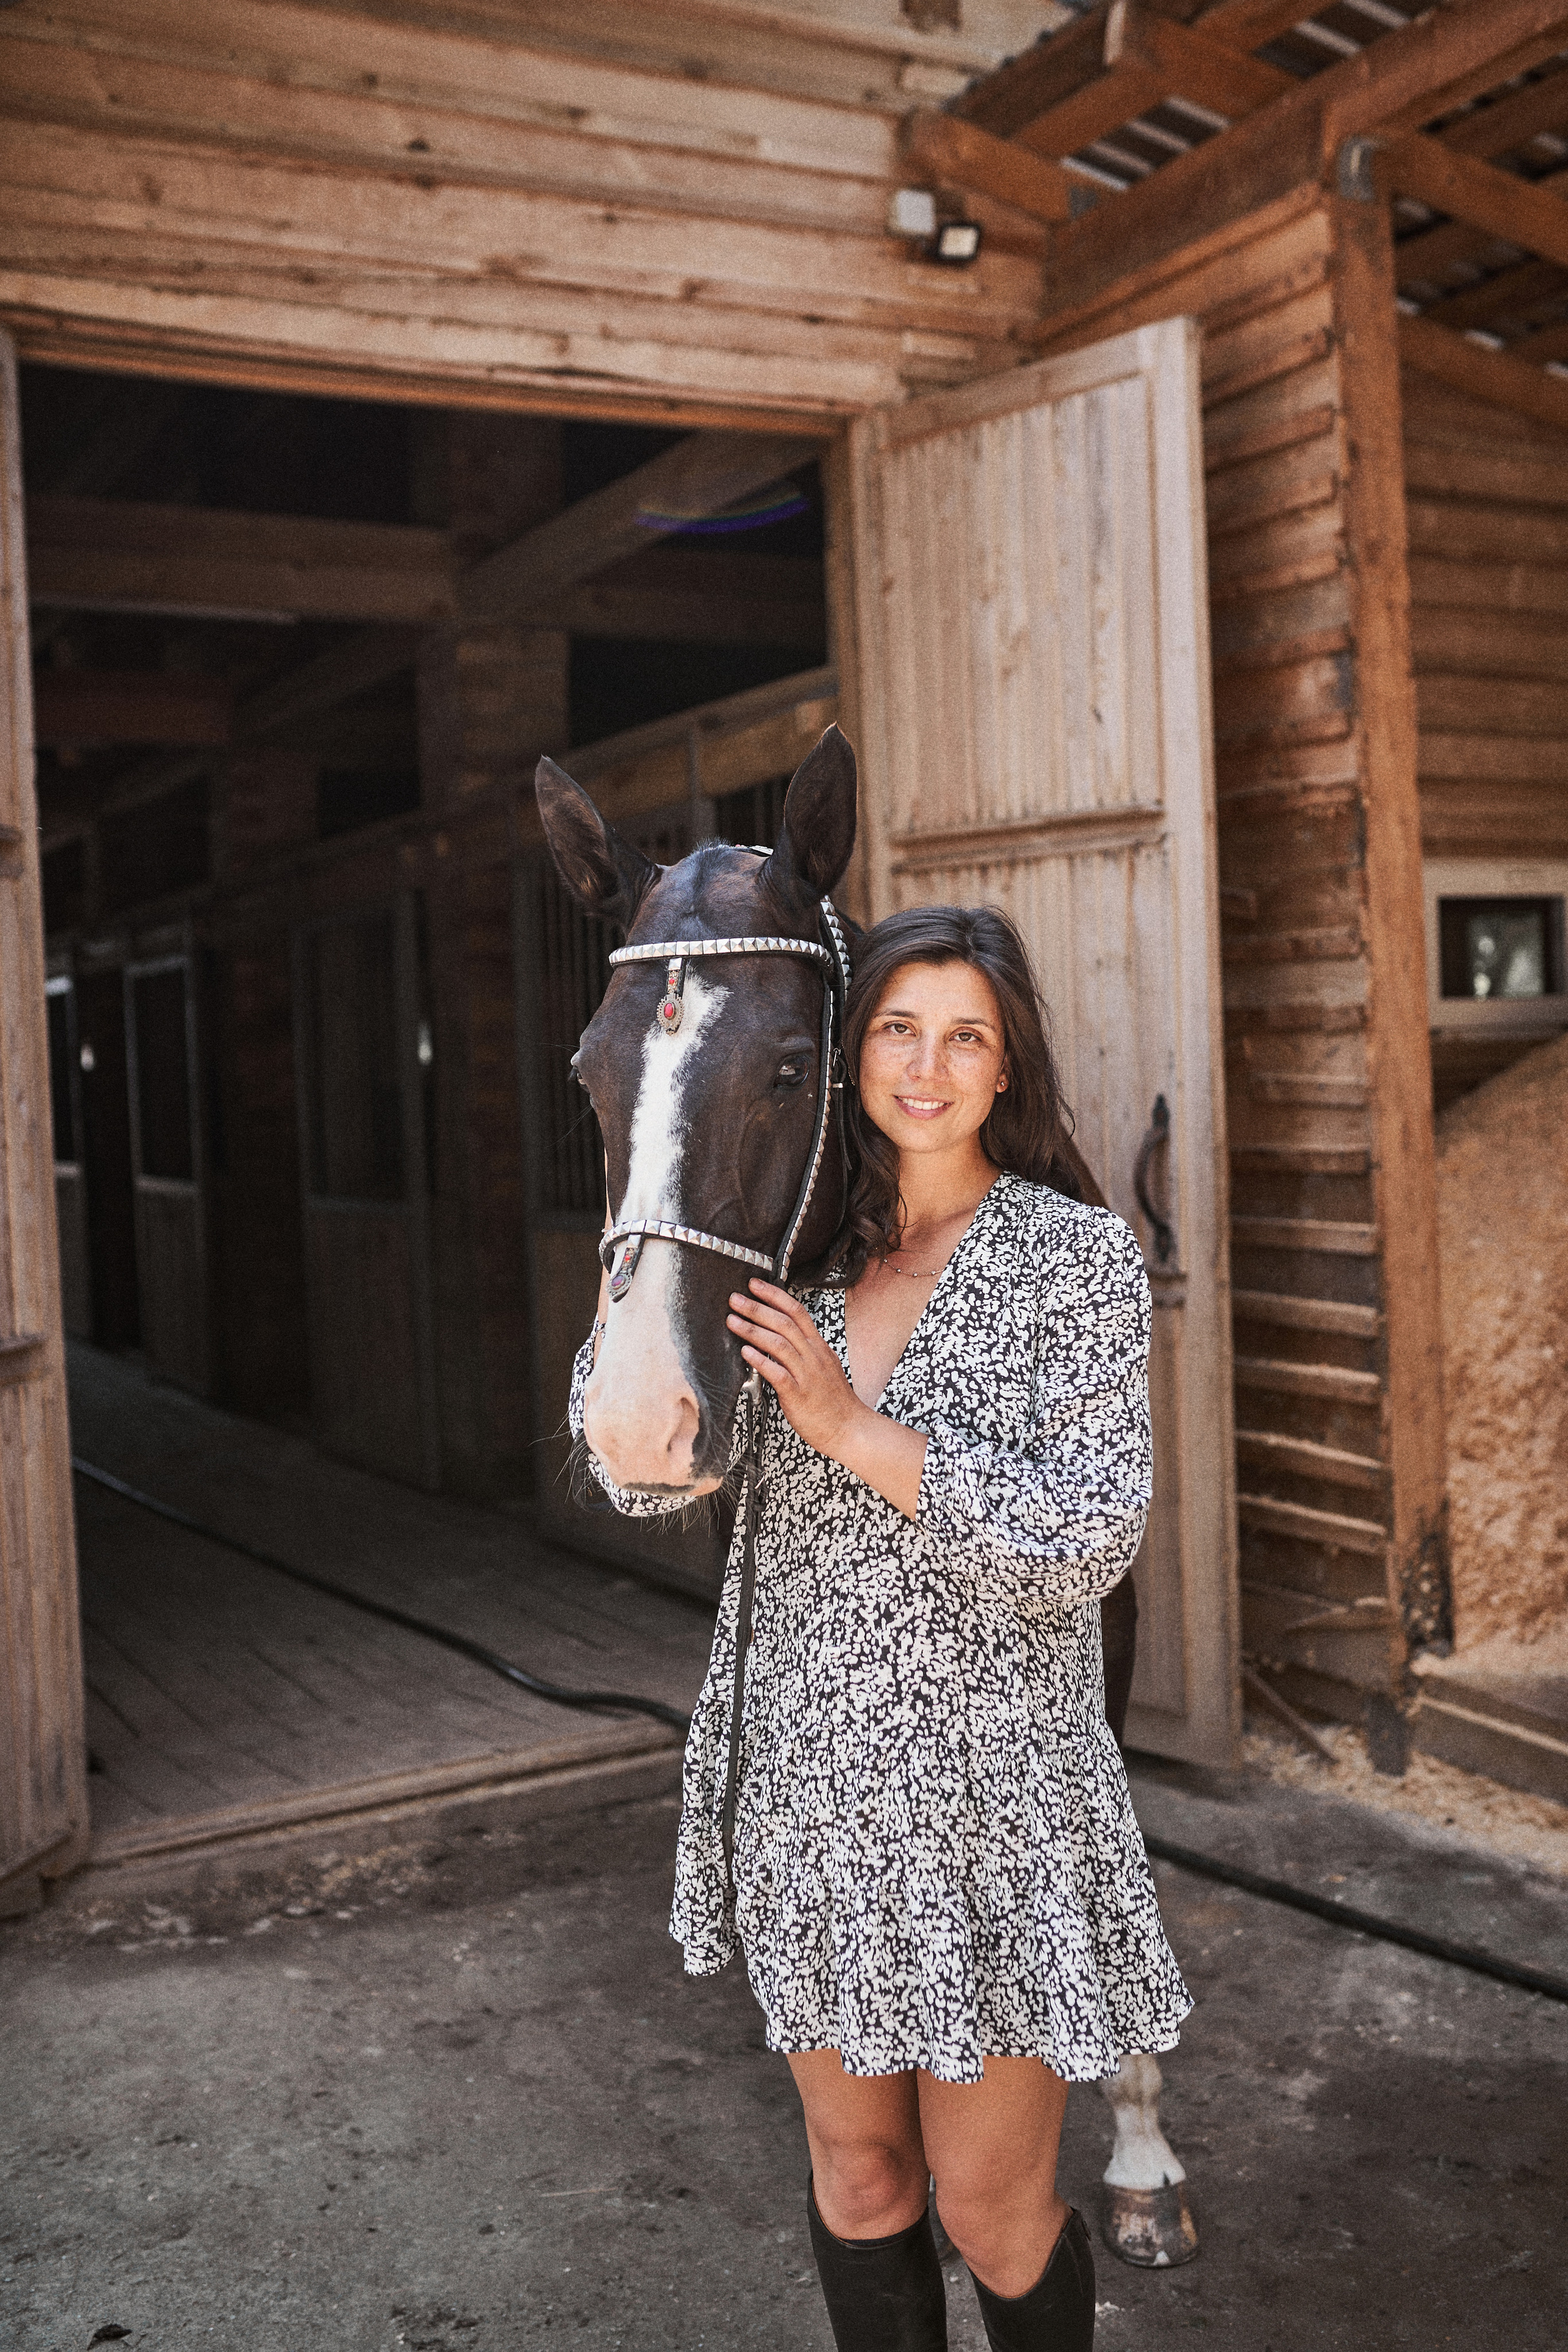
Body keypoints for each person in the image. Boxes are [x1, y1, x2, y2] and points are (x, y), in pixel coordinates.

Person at [571, 904, 1189, 2352]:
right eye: (897, 1030)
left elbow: (1086, 1543)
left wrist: (853, 1428)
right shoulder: (785, 1249)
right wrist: (638, 1307)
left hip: (995, 1804)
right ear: (850, 1057)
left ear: (1005, 1065)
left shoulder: (1072, 1260)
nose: (926, 1065)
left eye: (964, 1036)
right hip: (812, 1794)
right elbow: (644, 1476)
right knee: (858, 2181)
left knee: (987, 2211)